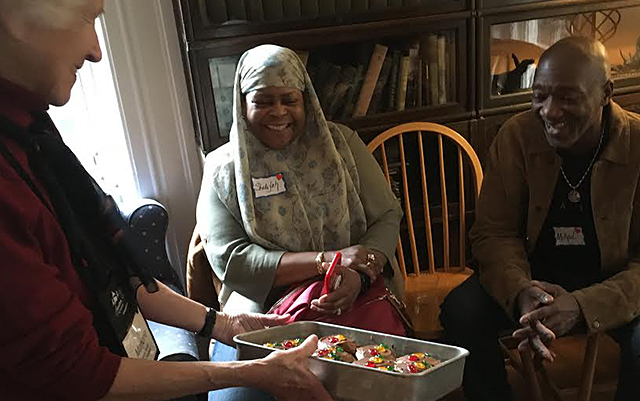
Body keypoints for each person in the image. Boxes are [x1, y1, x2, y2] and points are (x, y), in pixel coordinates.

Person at [0, 1, 333, 401]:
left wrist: (224, 324)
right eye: (88, 18)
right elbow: (80, 375)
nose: (96, 50)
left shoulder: (29, 126)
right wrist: (248, 373)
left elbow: (111, 273)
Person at [195, 44, 404, 400]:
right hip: (262, 301)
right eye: (263, 101)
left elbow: (387, 214)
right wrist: (325, 261)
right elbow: (232, 259)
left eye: (288, 99)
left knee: (388, 380)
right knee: (237, 397)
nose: (278, 112)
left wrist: (361, 272)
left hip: (351, 288)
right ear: (242, 104)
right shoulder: (223, 169)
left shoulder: (344, 146)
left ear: (305, 100)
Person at [440, 36, 640, 401]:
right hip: (532, 272)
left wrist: (583, 305)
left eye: (567, 97)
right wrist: (520, 292)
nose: (549, 111)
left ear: (606, 93)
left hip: (614, 277)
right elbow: (493, 233)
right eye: (540, 95)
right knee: (461, 313)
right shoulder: (517, 135)